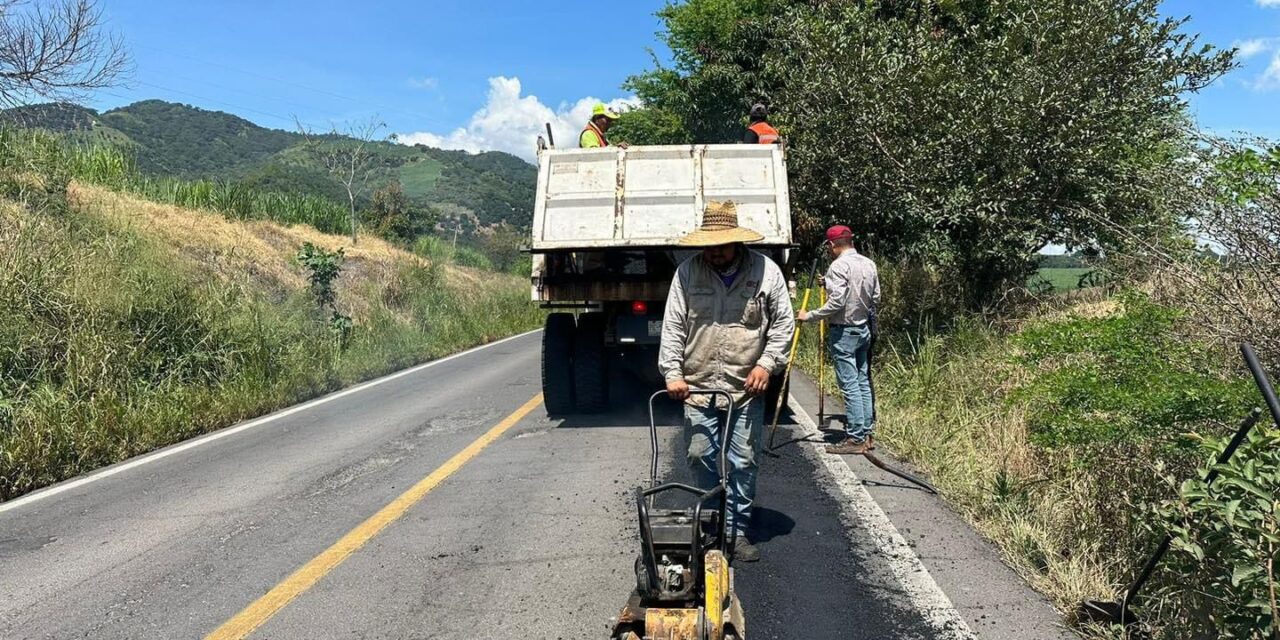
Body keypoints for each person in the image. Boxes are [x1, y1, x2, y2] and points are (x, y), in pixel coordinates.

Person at [659, 200, 795, 563]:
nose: (715, 253)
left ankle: (734, 532)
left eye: (721, 246)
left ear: (736, 242)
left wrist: (766, 365)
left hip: (745, 388)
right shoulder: (687, 273)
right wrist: (672, 373)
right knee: (700, 454)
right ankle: (711, 524)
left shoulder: (766, 273)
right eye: (709, 246)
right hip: (698, 385)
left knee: (743, 460)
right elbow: (673, 325)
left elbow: (783, 325)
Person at [798, 225, 881, 455]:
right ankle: (866, 432)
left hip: (844, 331)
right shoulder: (868, 264)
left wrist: (810, 316)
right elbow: (875, 297)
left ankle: (855, 438)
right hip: (863, 329)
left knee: (850, 384)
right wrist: (830, 284)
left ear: (832, 244)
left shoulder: (838, 266)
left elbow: (837, 303)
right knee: (862, 380)